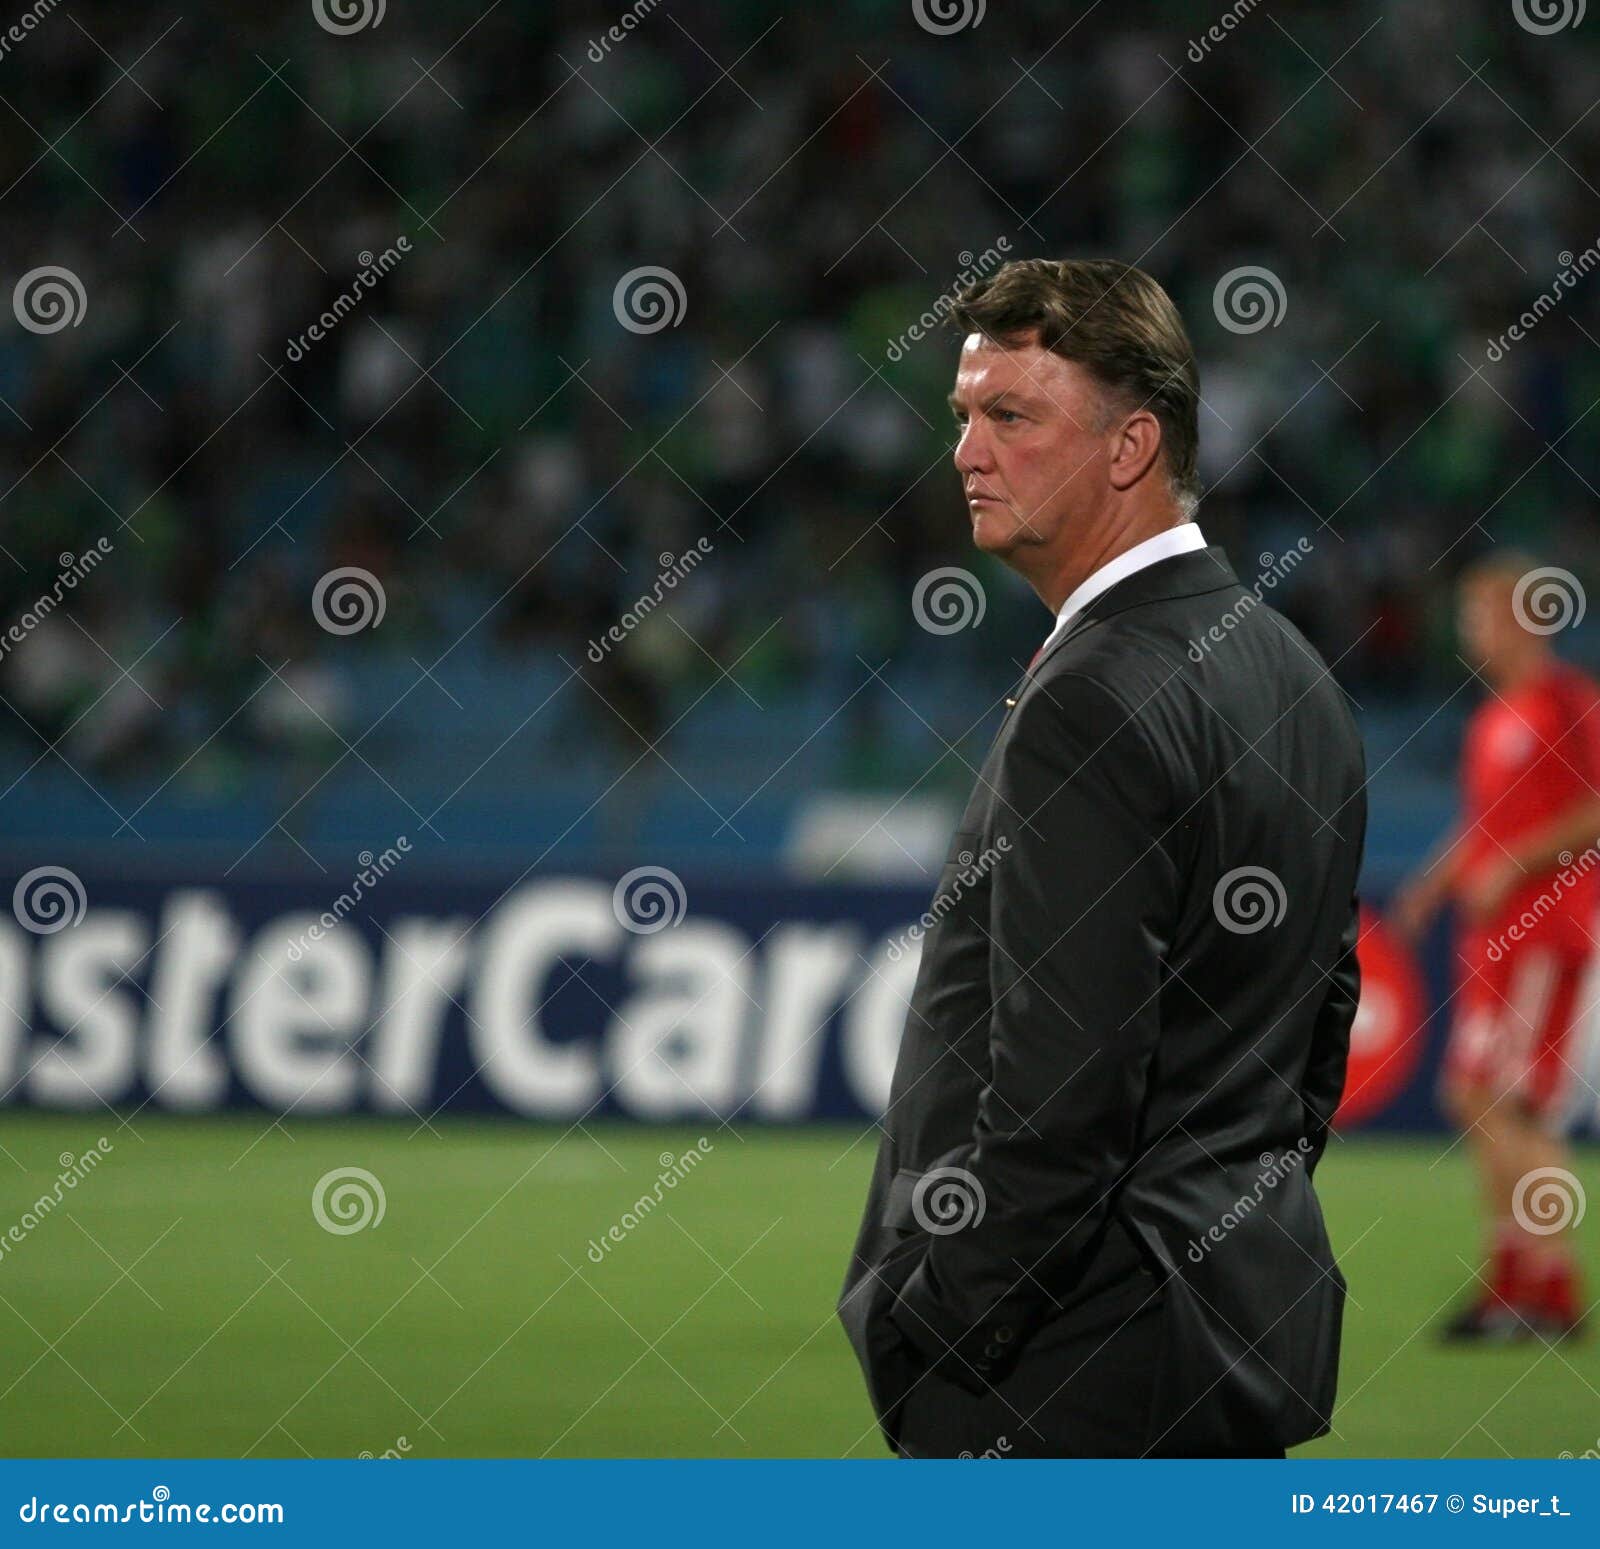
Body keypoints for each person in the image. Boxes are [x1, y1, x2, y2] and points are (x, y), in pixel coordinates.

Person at [837, 257, 1367, 1459]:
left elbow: (1061, 1091)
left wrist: (948, 1316)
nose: (966, 452)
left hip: (1070, 1370)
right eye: (962, 417)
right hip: (1230, 1328)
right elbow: (1318, 1020)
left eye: (1009, 416)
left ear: (1129, 447)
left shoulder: (1092, 695)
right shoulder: (1294, 678)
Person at [1392, 555, 1598, 1342]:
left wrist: (1517, 863)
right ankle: (1513, 1283)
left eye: (1478, 613)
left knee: (1502, 1099)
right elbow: (1483, 824)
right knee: (1482, 1098)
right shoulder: (1491, 717)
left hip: (1544, 933)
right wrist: (1430, 887)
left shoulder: (1565, 702)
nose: (1467, 630)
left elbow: (1593, 810)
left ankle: (1549, 1288)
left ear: (1521, 616)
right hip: (1492, 941)